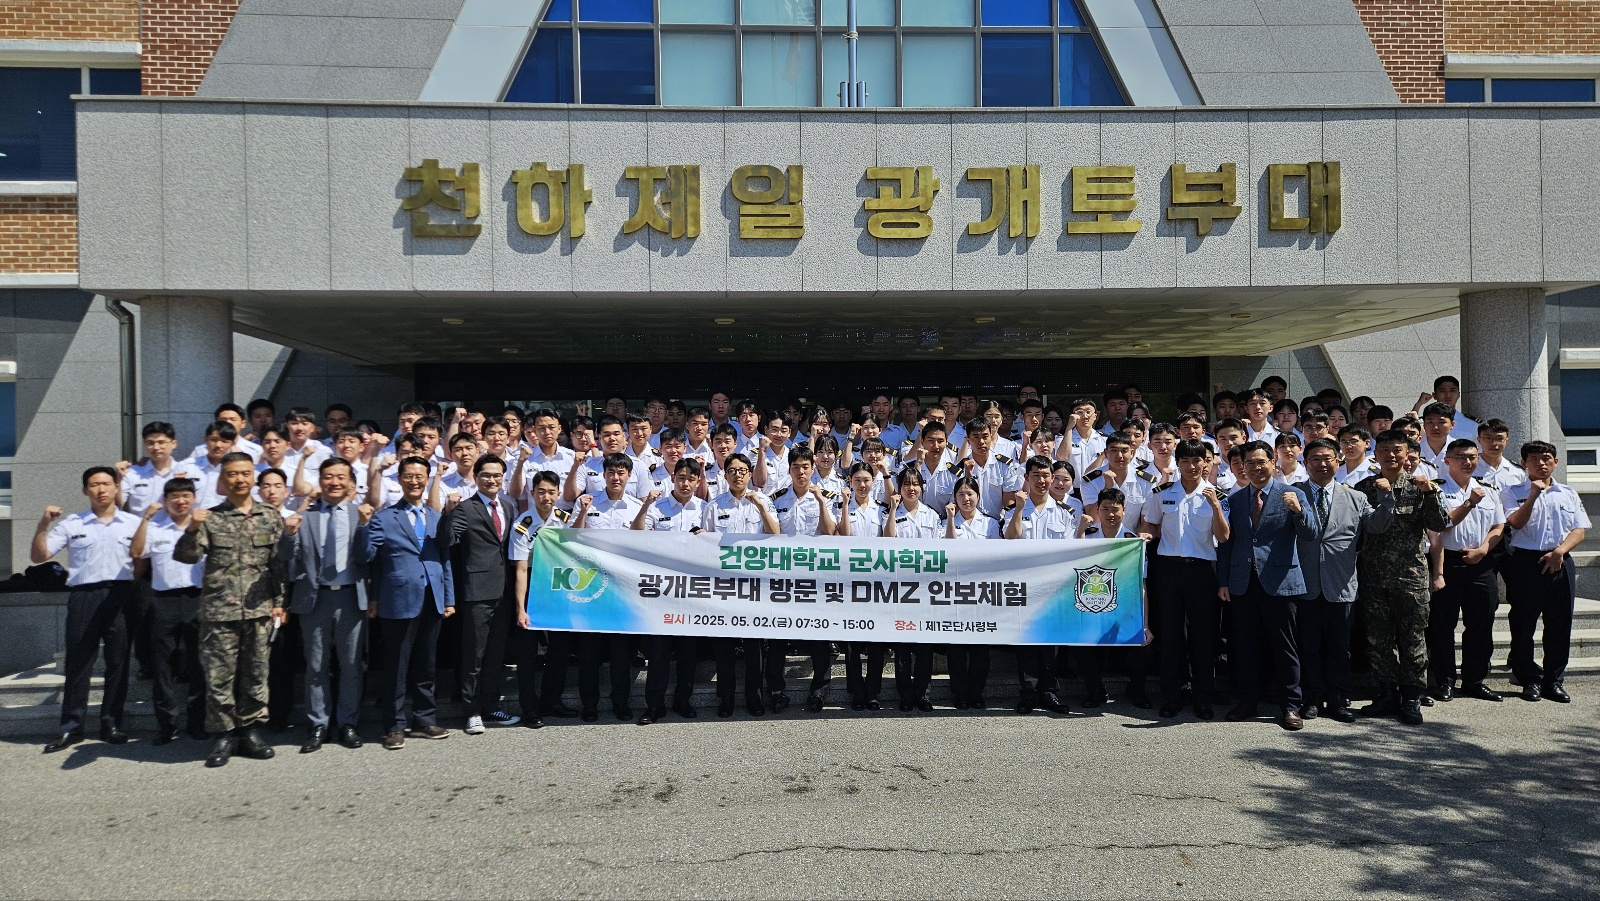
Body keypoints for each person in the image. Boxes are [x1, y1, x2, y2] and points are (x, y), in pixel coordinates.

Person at [173, 453, 288, 768]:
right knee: (219, 678)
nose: (240, 479)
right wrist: (192, 529)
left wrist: (280, 603)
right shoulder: (210, 518)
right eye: (233, 474)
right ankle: (223, 735)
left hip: (259, 610)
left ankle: (250, 732)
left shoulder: (270, 517)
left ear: (253, 477)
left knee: (256, 675)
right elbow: (186, 557)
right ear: (223, 479)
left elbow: (278, 566)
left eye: (246, 473)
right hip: (219, 612)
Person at [34, 467, 143, 753]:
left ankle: (111, 724)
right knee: (78, 661)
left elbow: (144, 560)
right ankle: (71, 727)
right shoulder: (73, 523)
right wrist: (43, 525)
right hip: (84, 596)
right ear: (85, 490)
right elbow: (39, 556)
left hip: (120, 595)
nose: (101, 489)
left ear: (116, 488)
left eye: (106, 483)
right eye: (94, 484)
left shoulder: (133, 523)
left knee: (118, 661)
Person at [1216, 441, 1317, 732]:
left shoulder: (1293, 493)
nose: (1256, 468)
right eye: (1249, 463)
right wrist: (1223, 581)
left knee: (1285, 647)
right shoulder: (1235, 499)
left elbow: (1310, 534)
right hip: (1243, 582)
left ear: (1273, 462)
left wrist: (1298, 511)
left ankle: (1290, 706)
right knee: (1245, 646)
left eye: (1261, 462)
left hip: (1280, 581)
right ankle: (1248, 701)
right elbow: (1227, 543)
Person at [358, 456, 456, 751]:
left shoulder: (435, 516)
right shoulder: (384, 517)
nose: (415, 481)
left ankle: (425, 719)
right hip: (398, 599)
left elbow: (444, 559)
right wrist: (363, 526)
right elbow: (366, 557)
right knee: (396, 666)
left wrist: (449, 598)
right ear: (399, 480)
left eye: (420, 476)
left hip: (432, 597)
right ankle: (394, 725)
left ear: (427, 479)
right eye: (409, 476)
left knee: (427, 663)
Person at [1353, 430, 1448, 725]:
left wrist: (1429, 493)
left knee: (1413, 639)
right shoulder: (1364, 487)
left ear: (1407, 454)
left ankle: (1412, 697)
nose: (1391, 456)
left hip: (1410, 577)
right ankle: (1385, 694)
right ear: (1375, 454)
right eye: (1385, 450)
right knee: (1378, 640)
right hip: (1373, 576)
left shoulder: (1422, 486)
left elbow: (1439, 523)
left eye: (1397, 450)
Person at [1296, 438, 1393, 723]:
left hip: (1341, 583)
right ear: (1306, 463)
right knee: (1309, 646)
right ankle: (1312, 698)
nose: (1322, 464)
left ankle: (1338, 700)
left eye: (1328, 458)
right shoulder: (1294, 494)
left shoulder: (1356, 497)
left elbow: (1377, 526)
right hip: (1305, 583)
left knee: (1340, 647)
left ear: (1338, 461)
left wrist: (1387, 499)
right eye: (1315, 458)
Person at [283, 458, 371, 752]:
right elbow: (286, 556)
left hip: (350, 597)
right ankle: (318, 724)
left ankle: (348, 723)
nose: (335, 482)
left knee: (351, 664)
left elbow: (368, 556)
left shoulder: (360, 514)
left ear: (350, 483)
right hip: (315, 597)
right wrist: (288, 534)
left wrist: (365, 526)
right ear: (320, 481)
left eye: (341, 477)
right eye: (329, 477)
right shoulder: (304, 517)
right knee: (316, 665)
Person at [1141, 439, 1229, 720]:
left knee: (1203, 636)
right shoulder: (1163, 493)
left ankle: (1203, 696)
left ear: (1206, 463)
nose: (1192, 466)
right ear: (1177, 464)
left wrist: (1215, 507)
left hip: (1202, 571)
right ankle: (1172, 695)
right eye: (1186, 461)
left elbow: (1223, 536)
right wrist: (1147, 534)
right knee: (1170, 634)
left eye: (1197, 461)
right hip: (1168, 570)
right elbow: (1152, 524)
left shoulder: (1216, 495)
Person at [1500, 440, 1589, 703]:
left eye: (1546, 458)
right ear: (1524, 463)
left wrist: (1560, 551)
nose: (1541, 463)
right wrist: (1533, 496)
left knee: (1559, 624)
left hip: (1560, 559)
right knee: (1523, 624)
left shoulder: (1567, 493)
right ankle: (1528, 679)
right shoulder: (1512, 491)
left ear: (1556, 462)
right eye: (1534, 459)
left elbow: (1579, 529)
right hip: (1526, 561)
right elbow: (1515, 522)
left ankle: (1554, 681)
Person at [442, 455, 523, 734]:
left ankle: (490, 706)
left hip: (504, 590)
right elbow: (447, 539)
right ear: (476, 477)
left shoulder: (508, 506)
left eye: (497, 475)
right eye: (486, 475)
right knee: (473, 655)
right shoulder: (465, 508)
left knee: (495, 654)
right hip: (476, 591)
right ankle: (471, 711)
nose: (492, 480)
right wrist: (448, 513)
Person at [1427, 440, 1506, 703]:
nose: (1467, 462)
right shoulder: (1437, 490)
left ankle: (1475, 680)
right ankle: (1445, 681)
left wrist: (1484, 549)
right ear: (1447, 460)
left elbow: (1498, 526)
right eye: (1460, 457)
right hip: (1447, 562)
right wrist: (1470, 503)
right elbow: (1443, 524)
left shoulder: (1488, 490)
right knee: (1442, 625)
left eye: (1472, 457)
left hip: (1480, 562)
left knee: (1481, 623)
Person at [701, 453, 780, 717]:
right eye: (732, 470)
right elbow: (704, 544)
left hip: (754, 585)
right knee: (724, 646)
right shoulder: (714, 506)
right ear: (725, 475)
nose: (737, 475)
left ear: (750, 474)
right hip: (724, 585)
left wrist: (760, 506)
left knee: (754, 645)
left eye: (742, 470)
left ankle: (754, 697)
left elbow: (775, 534)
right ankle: (726, 697)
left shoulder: (763, 500)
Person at [130, 478, 207, 745]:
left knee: (199, 664)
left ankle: (198, 722)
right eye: (174, 496)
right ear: (165, 501)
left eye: (186, 496)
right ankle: (167, 725)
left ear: (194, 499)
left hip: (197, 598)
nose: (180, 501)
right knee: (162, 665)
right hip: (164, 600)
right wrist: (145, 519)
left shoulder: (205, 528)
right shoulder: (155, 528)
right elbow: (137, 552)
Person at [631, 457, 707, 725]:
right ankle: (654, 705)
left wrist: (707, 537)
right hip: (661, 590)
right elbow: (636, 534)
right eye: (681, 478)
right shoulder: (657, 506)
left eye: (691, 479)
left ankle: (683, 701)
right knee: (659, 651)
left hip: (691, 591)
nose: (685, 483)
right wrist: (645, 506)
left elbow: (716, 546)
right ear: (672, 478)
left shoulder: (705, 509)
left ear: (698, 482)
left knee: (688, 651)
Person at [570, 453, 644, 722]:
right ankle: (589, 704)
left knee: (620, 652)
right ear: (603, 475)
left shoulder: (637, 507)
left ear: (629, 476)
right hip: (590, 587)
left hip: (623, 589)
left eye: (621, 473)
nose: (615, 477)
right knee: (589, 652)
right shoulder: (587, 502)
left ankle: (620, 702)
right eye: (611, 472)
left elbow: (646, 545)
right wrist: (581, 512)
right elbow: (571, 537)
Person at [767, 446, 840, 712]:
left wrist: (820, 502)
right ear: (789, 469)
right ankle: (776, 691)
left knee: (819, 636)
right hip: (784, 577)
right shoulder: (776, 498)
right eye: (796, 467)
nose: (801, 472)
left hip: (814, 577)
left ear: (813, 468)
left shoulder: (827, 497)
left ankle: (819, 692)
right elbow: (771, 533)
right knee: (777, 637)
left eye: (805, 467)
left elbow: (829, 532)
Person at [882, 467, 942, 712]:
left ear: (922, 487)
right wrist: (893, 510)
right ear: (899, 488)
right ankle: (905, 695)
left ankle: (923, 694)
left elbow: (940, 551)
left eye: (915, 484)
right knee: (902, 647)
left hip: (926, 589)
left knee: (924, 646)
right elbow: (887, 541)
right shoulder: (891, 513)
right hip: (900, 589)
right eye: (906, 484)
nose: (911, 488)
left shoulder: (932, 516)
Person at [942, 475, 999, 710]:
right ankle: (960, 693)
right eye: (961, 494)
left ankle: (976, 693)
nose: (966, 499)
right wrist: (950, 519)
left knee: (979, 649)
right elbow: (947, 551)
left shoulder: (990, 524)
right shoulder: (945, 522)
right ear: (954, 498)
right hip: (955, 592)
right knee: (956, 648)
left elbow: (995, 557)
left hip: (981, 592)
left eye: (970, 494)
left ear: (978, 496)